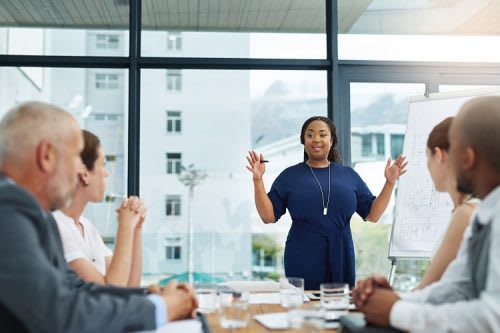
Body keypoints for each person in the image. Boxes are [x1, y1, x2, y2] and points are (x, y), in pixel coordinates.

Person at [0, 101, 197, 332]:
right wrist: (161, 307)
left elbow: (77, 289)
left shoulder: (36, 216)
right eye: (75, 157)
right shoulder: (7, 210)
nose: (79, 171)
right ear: (47, 156)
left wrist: (152, 297)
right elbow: (60, 314)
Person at [352, 96, 500, 332]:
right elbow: (455, 288)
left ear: (468, 158)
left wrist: (395, 310)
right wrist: (392, 298)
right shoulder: (486, 215)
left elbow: (493, 317)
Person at [246, 116, 407, 290]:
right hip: (302, 254)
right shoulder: (289, 176)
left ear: (331, 140)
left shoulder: (349, 175)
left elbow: (373, 214)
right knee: (305, 308)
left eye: (322, 135)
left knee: (339, 306)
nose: (316, 139)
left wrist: (390, 182)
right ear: (304, 141)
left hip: (341, 253)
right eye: (310, 135)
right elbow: (268, 216)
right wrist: (258, 180)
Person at [53, 130, 146, 287]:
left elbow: (131, 286)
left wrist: (136, 229)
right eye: (103, 164)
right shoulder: (57, 227)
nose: (106, 173)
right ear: (84, 174)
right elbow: (110, 291)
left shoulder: (87, 228)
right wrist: (125, 227)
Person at [416, 117, 479, 289]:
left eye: (427, 156)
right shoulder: (472, 208)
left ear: (439, 155)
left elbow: (426, 291)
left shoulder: (466, 214)